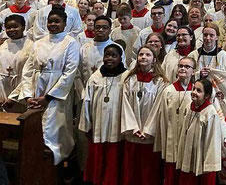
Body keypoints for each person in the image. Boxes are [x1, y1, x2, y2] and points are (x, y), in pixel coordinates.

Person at [12, 6, 80, 165]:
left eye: (57, 22)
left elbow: (69, 73)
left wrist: (48, 98)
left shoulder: (70, 43)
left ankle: (55, 168)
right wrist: (29, 96)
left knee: (55, 132)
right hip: (36, 95)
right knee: (35, 132)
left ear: (65, 23)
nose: (53, 25)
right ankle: (35, 167)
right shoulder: (38, 43)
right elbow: (28, 70)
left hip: (56, 97)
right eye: (50, 22)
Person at [79, 43, 128, 184]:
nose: (110, 58)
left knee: (115, 157)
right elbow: (87, 102)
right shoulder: (95, 77)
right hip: (99, 124)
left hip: (118, 126)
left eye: (114, 55)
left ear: (120, 58)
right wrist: (87, 124)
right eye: (107, 55)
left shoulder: (126, 77)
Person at [121, 45, 167, 185]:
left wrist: (148, 130)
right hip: (133, 133)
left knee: (148, 171)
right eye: (141, 54)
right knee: (131, 169)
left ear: (154, 60)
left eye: (147, 55)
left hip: (149, 135)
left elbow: (159, 108)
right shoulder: (130, 80)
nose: (143, 57)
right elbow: (125, 105)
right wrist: (134, 128)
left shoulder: (160, 82)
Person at [148, 56, 196, 184]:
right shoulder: (168, 91)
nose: (183, 69)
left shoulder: (196, 92)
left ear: (194, 71)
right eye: (180, 66)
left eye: (187, 67)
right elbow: (162, 117)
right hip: (172, 137)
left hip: (189, 138)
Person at [175, 78, 221, 184]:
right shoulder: (188, 107)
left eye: (199, 91)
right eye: (194, 88)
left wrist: (208, 165)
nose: (194, 92)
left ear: (207, 96)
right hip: (188, 154)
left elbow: (212, 142)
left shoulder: (210, 113)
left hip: (201, 159)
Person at [0, 15, 33, 106]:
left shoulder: (31, 46)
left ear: (23, 27)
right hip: (3, 90)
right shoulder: (3, 46)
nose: (11, 30)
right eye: (8, 27)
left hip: (21, 91)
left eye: (15, 27)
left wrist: (14, 97)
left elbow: (30, 74)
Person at [78, 16, 118, 91]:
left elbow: (120, 74)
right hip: (87, 90)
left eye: (105, 27)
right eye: (97, 27)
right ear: (93, 29)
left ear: (110, 30)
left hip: (110, 91)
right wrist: (82, 94)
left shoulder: (117, 48)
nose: (101, 30)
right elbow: (78, 73)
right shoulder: (84, 48)